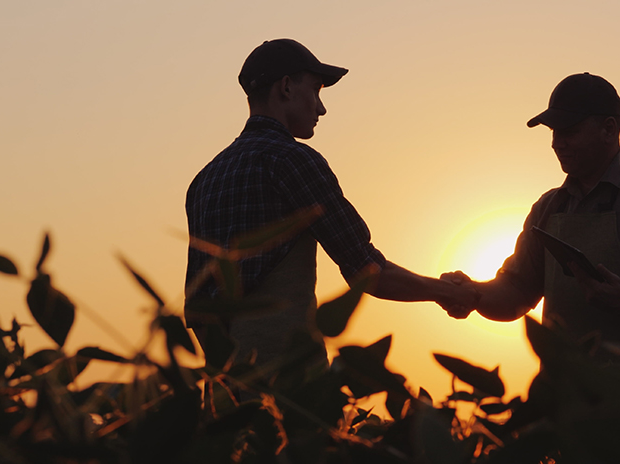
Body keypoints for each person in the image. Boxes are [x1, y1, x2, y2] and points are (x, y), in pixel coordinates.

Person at [185, 39, 479, 367]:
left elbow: (197, 307)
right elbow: (366, 270)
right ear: (285, 87)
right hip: (289, 388)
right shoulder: (292, 161)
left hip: (225, 397)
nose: (321, 107)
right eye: (316, 89)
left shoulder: (203, 180)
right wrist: (447, 292)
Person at [443, 73, 620, 347]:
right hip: (563, 388)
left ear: (609, 129)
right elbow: (516, 294)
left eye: (569, 131)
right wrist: (472, 293)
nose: (556, 143)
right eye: (554, 132)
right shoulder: (547, 209)